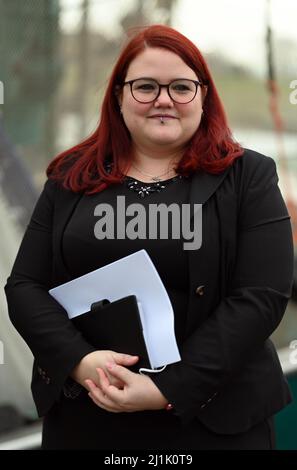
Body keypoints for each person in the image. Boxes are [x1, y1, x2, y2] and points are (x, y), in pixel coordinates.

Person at [4, 24, 294, 450]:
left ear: (204, 96)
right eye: (145, 87)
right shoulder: (70, 178)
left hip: (212, 424)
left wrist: (170, 389)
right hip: (87, 417)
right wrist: (80, 363)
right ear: (119, 96)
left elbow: (261, 296)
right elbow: (25, 287)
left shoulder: (249, 176)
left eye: (181, 86)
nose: (163, 99)